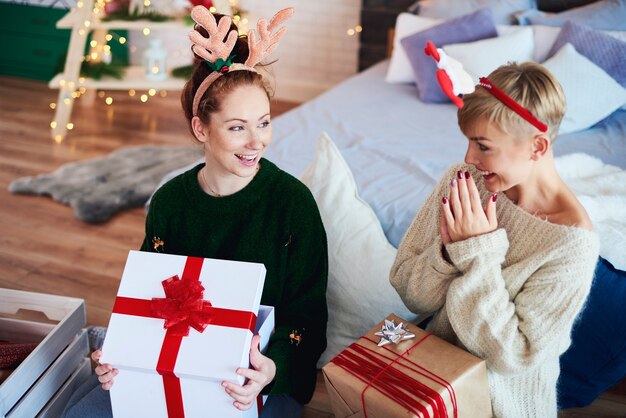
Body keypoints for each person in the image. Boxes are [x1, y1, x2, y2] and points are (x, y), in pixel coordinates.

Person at [63, 6, 327, 418]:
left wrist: (271, 369)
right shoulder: (169, 201)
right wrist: (122, 356)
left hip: (255, 376)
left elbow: (306, 312)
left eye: (264, 122)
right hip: (174, 364)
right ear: (201, 129)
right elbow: (149, 297)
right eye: (237, 127)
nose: (256, 141)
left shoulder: (293, 205)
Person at [389, 62, 599, 418]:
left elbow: (512, 356)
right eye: (469, 141)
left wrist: (476, 254)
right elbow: (409, 290)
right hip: (426, 382)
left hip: (498, 406)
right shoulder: (463, 181)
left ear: (537, 146)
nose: (469, 158)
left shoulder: (571, 244)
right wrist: (445, 254)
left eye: (483, 146)